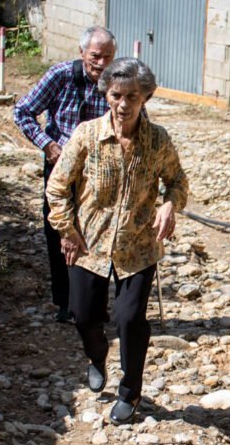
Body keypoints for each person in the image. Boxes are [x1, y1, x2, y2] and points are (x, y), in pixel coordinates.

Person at [46, 58, 188, 425]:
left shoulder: (158, 141)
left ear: (146, 100)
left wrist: (169, 206)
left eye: (133, 97)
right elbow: (58, 187)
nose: (123, 105)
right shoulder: (87, 135)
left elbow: (177, 181)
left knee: (129, 320)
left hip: (138, 246)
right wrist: (67, 230)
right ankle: (96, 358)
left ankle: (130, 392)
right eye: (116, 95)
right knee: (84, 316)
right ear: (106, 94)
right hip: (88, 243)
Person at [14, 26, 117, 323]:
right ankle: (65, 302)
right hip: (61, 167)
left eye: (108, 57)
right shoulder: (60, 76)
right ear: (82, 52)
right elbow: (22, 111)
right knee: (61, 231)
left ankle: (93, 302)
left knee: (100, 233)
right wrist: (48, 146)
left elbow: (136, 118)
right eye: (95, 56)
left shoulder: (116, 81)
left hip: (101, 171)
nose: (101, 64)